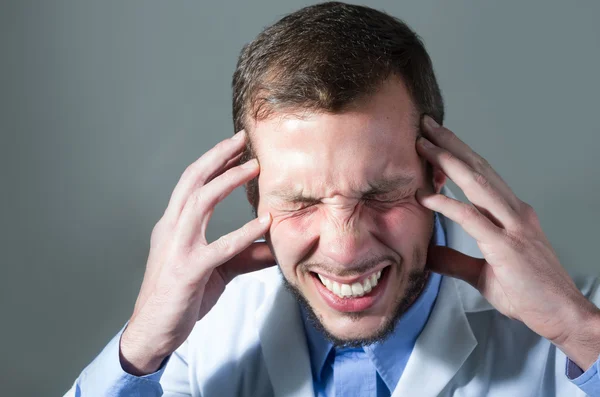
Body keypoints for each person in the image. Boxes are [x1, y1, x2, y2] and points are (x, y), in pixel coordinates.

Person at [63, 2, 600, 396]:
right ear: (252, 196)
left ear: (438, 173)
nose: (344, 251)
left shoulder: (573, 329)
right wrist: (139, 350)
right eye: (299, 202)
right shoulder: (197, 341)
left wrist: (580, 330)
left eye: (382, 194)